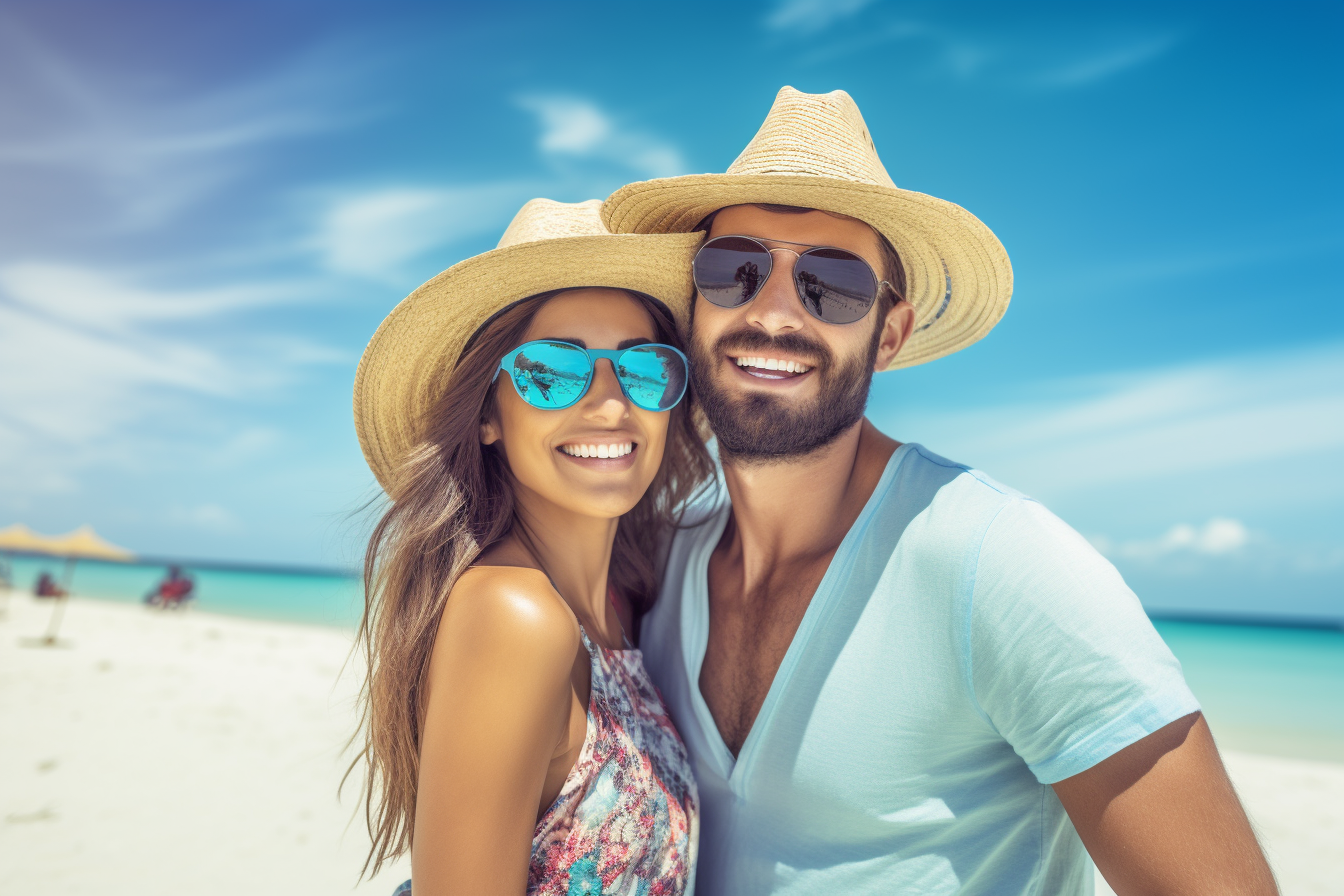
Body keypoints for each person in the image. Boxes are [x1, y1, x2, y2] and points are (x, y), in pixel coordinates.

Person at [600, 88, 1277, 895]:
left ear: (889, 334)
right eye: (733, 270)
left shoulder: (999, 564)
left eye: (834, 284)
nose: (774, 313)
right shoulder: (659, 565)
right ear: (694, 307)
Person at [350, 199, 714, 895]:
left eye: (643, 369)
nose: (611, 404)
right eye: (552, 371)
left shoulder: (621, 604)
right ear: (488, 414)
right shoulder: (516, 614)